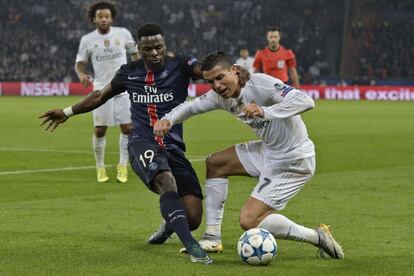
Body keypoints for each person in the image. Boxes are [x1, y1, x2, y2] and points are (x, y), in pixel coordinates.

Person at [40, 23, 219, 264]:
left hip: (173, 147)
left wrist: (233, 70)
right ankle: (192, 247)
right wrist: (67, 111)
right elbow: (99, 96)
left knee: (193, 217)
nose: (154, 53)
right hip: (141, 142)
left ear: (165, 45)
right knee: (166, 182)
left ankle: (169, 226)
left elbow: (208, 72)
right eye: (148, 49)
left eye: (158, 47)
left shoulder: (181, 65)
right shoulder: (129, 72)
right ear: (139, 49)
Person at [154, 51, 344, 259]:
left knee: (249, 221)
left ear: (234, 70)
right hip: (269, 151)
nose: (217, 85)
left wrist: (266, 111)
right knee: (216, 163)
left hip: (294, 159)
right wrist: (168, 120)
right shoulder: (220, 96)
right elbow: (191, 107)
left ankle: (317, 236)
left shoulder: (261, 84)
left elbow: (305, 100)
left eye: (220, 77)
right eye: (210, 82)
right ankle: (212, 237)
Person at [75, 1, 139, 183]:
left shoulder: (123, 33)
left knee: (127, 128)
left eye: (107, 16)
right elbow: (80, 62)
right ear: (94, 19)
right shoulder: (87, 39)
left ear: (112, 18)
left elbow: (135, 54)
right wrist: (81, 75)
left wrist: (136, 67)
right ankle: (100, 166)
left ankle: (123, 165)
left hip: (124, 88)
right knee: (100, 129)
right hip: (101, 89)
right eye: (100, 16)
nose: (104, 19)